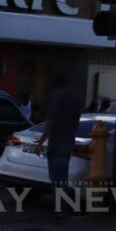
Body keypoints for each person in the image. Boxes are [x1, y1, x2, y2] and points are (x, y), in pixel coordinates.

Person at [34, 76, 83, 218]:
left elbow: (51, 121)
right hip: (68, 141)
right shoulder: (76, 99)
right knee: (62, 176)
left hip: (57, 142)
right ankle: (61, 208)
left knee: (56, 178)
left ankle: (60, 210)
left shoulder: (58, 97)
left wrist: (40, 142)